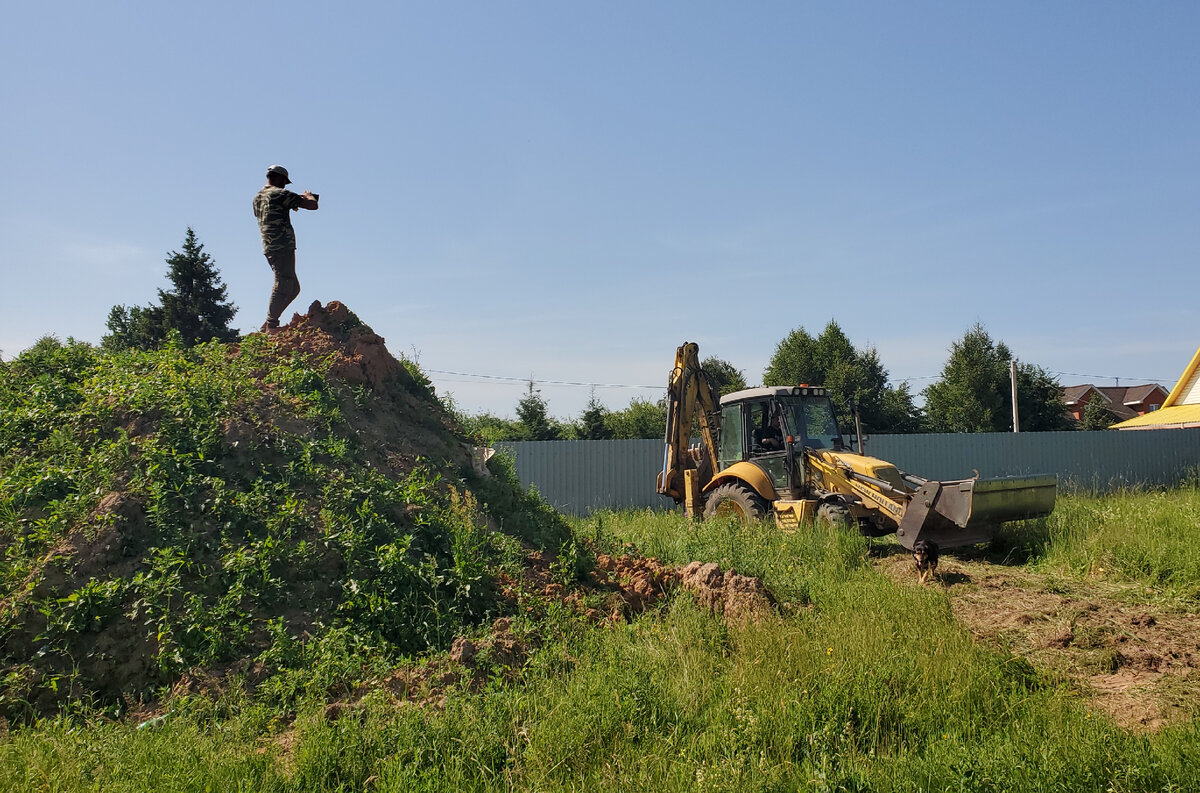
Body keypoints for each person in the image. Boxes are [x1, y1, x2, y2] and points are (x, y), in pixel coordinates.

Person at [253, 164, 319, 332]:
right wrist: (309, 196)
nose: (285, 185)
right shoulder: (280, 194)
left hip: (269, 245)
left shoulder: (258, 197)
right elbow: (312, 206)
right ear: (279, 178)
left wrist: (291, 202)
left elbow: (274, 209)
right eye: (284, 182)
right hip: (282, 244)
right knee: (283, 283)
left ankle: (268, 323)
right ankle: (271, 325)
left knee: (293, 287)